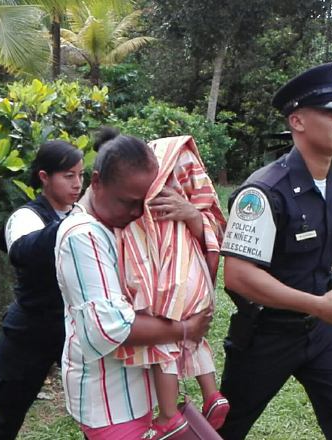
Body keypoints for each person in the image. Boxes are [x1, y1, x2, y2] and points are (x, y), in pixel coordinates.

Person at [217, 62, 332, 440]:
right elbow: (238, 275)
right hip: (267, 335)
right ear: (297, 121)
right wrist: (318, 305)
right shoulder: (262, 193)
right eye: (331, 113)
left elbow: (331, 242)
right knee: (226, 429)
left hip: (320, 334)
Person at [55, 129, 214, 440]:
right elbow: (109, 328)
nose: (136, 213)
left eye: (143, 203)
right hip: (111, 402)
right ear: (97, 182)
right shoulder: (82, 236)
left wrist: (193, 217)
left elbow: (190, 267)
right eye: (127, 202)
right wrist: (185, 330)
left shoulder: (124, 227)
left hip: (141, 395)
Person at [114, 136, 229, 438]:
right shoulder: (184, 186)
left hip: (167, 284)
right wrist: (195, 215)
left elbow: (133, 256)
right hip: (197, 280)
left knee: (161, 339)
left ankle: (168, 415)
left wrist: (193, 214)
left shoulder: (138, 207)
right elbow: (216, 224)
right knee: (195, 336)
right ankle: (212, 394)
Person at [0, 140, 84, 440]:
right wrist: (76, 221)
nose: (77, 184)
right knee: (6, 415)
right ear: (45, 178)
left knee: (97, 411)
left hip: (75, 327)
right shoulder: (25, 216)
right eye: (68, 176)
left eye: (81, 176)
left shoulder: (82, 215)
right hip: (31, 331)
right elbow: (22, 251)